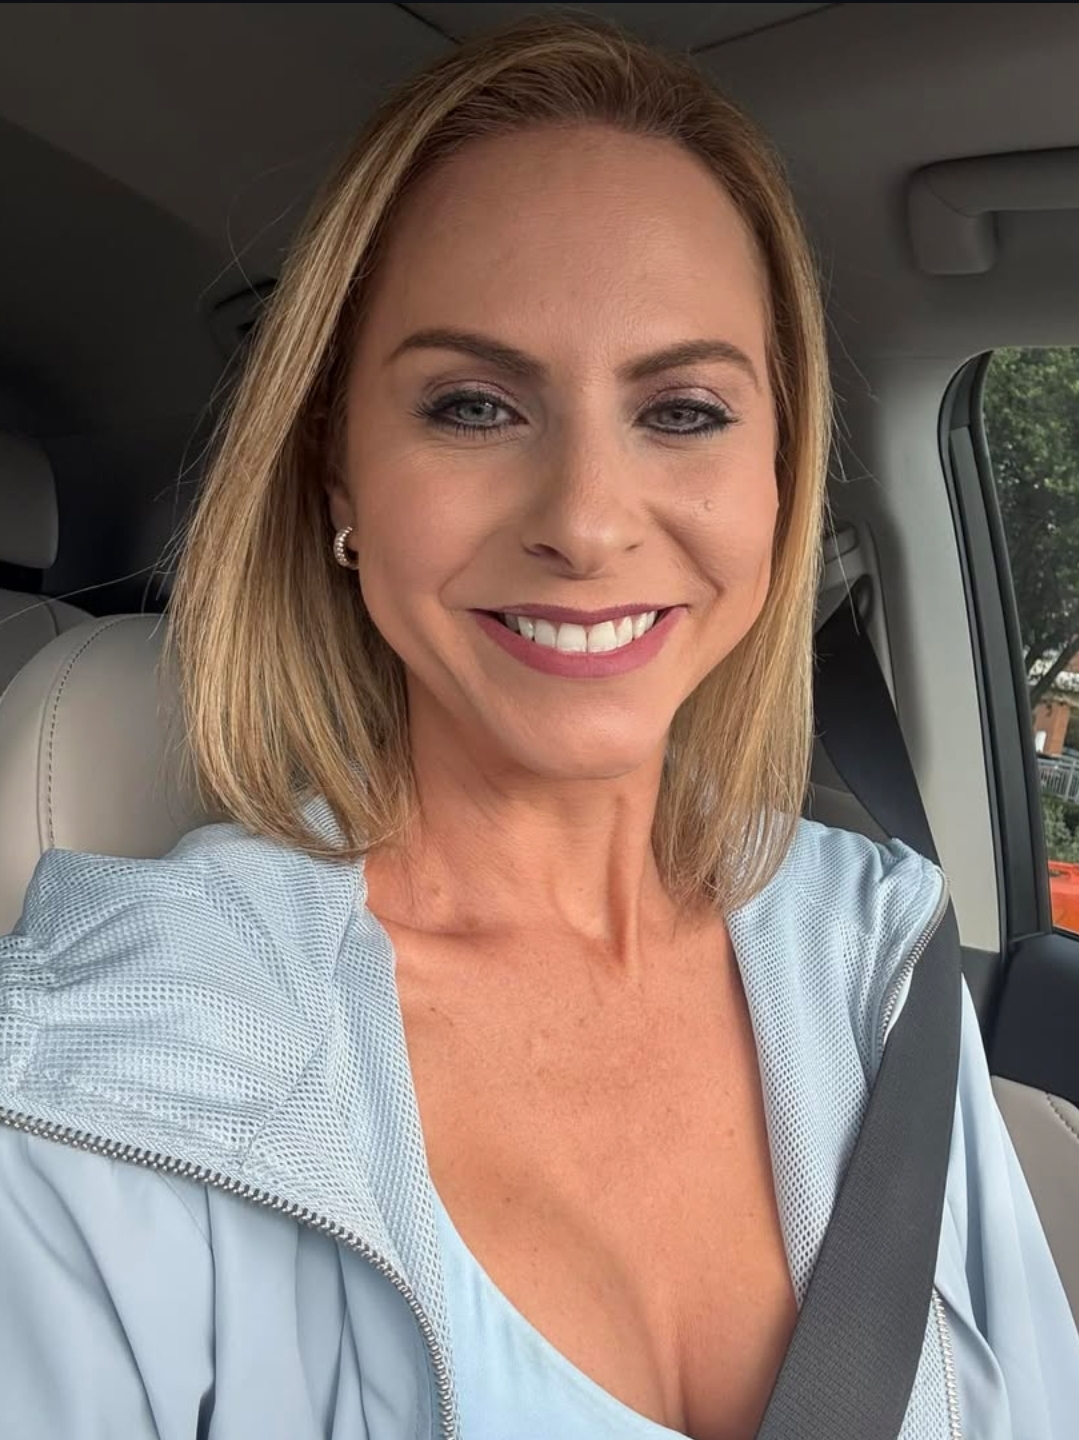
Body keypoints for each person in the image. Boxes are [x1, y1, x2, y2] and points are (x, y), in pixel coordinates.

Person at [0, 15, 1076, 1440]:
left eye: (682, 410)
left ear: (779, 475)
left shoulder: (879, 962)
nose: (584, 520)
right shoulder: (100, 1082)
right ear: (339, 477)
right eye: (473, 405)